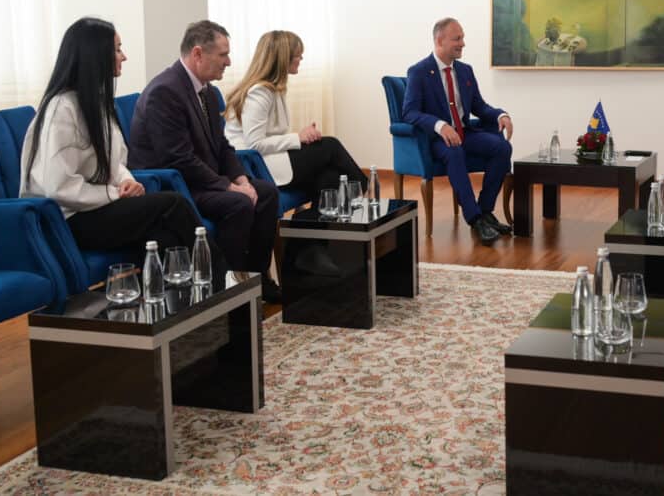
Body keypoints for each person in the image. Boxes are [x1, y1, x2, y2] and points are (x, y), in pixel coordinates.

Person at [20, 17, 210, 266]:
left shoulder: (94, 103)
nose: (124, 57)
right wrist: (114, 194)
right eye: (118, 49)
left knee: (164, 237)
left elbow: (114, 161)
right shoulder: (61, 109)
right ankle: (223, 281)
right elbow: (59, 187)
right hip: (67, 220)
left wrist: (126, 181)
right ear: (96, 55)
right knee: (174, 204)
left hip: (95, 208)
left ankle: (186, 290)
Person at [127, 20, 281, 302]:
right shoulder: (165, 92)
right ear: (198, 54)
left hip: (202, 180)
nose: (228, 62)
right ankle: (224, 292)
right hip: (175, 187)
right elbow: (178, 159)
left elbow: (222, 145)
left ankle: (256, 280)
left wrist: (242, 180)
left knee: (266, 193)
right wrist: (230, 187)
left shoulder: (207, 91)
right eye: (223, 55)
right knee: (238, 204)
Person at [402, 17, 513, 245]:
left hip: (465, 133)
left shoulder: (465, 71)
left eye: (462, 38)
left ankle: (485, 211)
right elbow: (409, 112)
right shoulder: (419, 72)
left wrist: (500, 115)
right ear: (440, 41)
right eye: (457, 39)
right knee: (454, 152)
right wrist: (440, 125)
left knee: (502, 147)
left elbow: (479, 106)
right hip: (437, 139)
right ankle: (475, 219)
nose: (463, 43)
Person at [223, 30, 367, 203]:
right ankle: (366, 189)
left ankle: (316, 218)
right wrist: (298, 138)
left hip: (271, 158)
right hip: (255, 164)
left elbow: (271, 135)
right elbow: (255, 144)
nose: (301, 59)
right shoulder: (259, 92)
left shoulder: (273, 89)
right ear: (284, 58)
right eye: (298, 55)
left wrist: (301, 137)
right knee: (330, 145)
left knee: (329, 177)